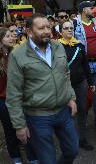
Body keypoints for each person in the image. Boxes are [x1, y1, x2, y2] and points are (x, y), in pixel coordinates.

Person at [6, 13, 79, 164]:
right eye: (41, 28)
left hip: (63, 112)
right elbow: (13, 93)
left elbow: (65, 73)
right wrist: (19, 125)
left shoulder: (58, 46)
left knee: (72, 150)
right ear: (29, 31)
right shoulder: (18, 55)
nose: (47, 31)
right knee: (47, 160)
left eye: (48, 27)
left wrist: (71, 97)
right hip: (38, 116)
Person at [0, 27, 38, 164]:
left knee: (26, 128)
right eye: (7, 36)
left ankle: (33, 158)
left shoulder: (16, 54)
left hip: (21, 98)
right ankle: (16, 158)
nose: (12, 38)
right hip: (4, 100)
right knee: (10, 131)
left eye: (12, 35)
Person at [58, 21, 95, 151]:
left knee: (82, 110)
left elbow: (85, 65)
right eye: (66, 28)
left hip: (81, 83)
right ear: (60, 31)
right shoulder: (57, 46)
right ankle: (70, 138)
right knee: (68, 111)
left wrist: (91, 83)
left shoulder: (79, 45)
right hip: (64, 84)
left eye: (71, 28)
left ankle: (82, 138)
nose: (69, 30)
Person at [74, 0, 96, 130]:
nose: (94, 9)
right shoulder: (75, 24)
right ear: (84, 10)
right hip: (84, 65)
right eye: (91, 7)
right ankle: (81, 122)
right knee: (82, 94)